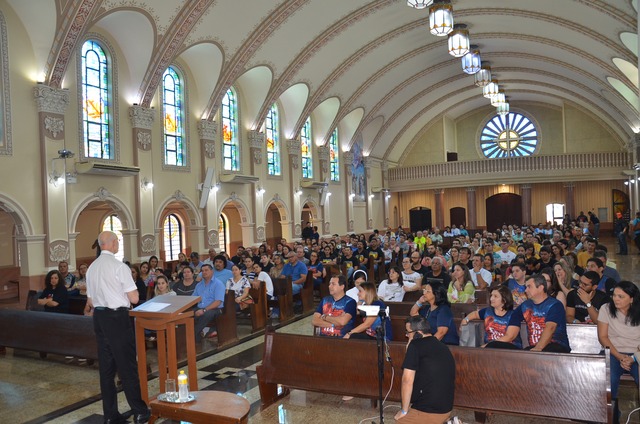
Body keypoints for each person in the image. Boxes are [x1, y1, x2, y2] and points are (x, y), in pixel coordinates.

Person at [85, 231, 149, 424]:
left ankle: (110, 415)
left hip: (100, 317)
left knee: (106, 369)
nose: (118, 245)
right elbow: (135, 298)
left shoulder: (91, 268)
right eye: (117, 242)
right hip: (117, 318)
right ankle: (139, 411)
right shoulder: (119, 267)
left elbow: (90, 300)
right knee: (127, 366)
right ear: (112, 244)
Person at [394, 315, 455, 423]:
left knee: (399, 421)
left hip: (430, 410)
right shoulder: (442, 346)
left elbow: (407, 381)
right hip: (446, 408)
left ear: (417, 333)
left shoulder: (415, 346)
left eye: (408, 332)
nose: (406, 335)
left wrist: (404, 411)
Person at [597, 281, 640, 423]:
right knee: (608, 381)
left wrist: (633, 358)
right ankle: (612, 417)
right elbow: (603, 337)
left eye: (621, 296)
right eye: (614, 295)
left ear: (632, 299)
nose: (616, 299)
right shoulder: (606, 309)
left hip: (637, 354)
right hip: (613, 352)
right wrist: (620, 357)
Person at [500, 275, 570, 352]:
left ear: (540, 288)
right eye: (526, 287)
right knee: (494, 346)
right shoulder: (525, 306)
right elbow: (511, 332)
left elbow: (550, 328)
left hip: (557, 347)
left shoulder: (555, 305)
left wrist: (538, 349)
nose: (526, 290)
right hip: (534, 347)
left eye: (529, 287)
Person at [192, 264, 225, 341]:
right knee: (188, 314)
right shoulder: (199, 285)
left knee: (206, 314)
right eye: (202, 271)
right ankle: (195, 335)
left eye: (206, 270)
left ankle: (193, 336)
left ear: (212, 271)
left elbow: (218, 302)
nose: (204, 272)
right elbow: (193, 298)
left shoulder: (218, 284)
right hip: (200, 307)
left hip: (215, 309)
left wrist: (204, 310)